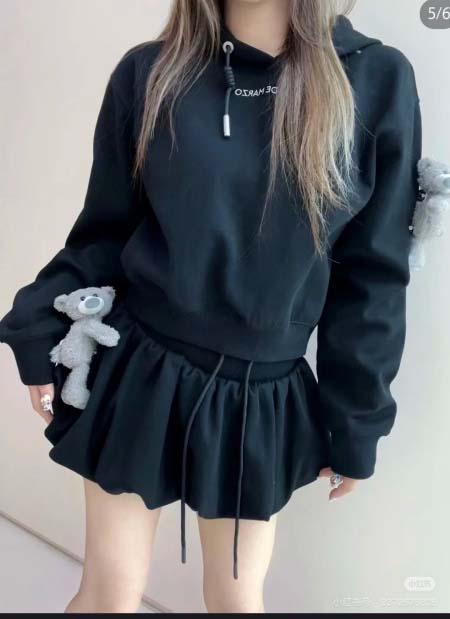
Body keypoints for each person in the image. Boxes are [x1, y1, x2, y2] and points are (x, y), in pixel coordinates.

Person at [0, 0, 422, 613]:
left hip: (260, 393)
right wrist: (40, 323)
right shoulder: (151, 71)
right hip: (139, 369)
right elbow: (104, 233)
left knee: (235, 599)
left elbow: (373, 276)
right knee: (108, 594)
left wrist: (357, 420)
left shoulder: (375, 79)